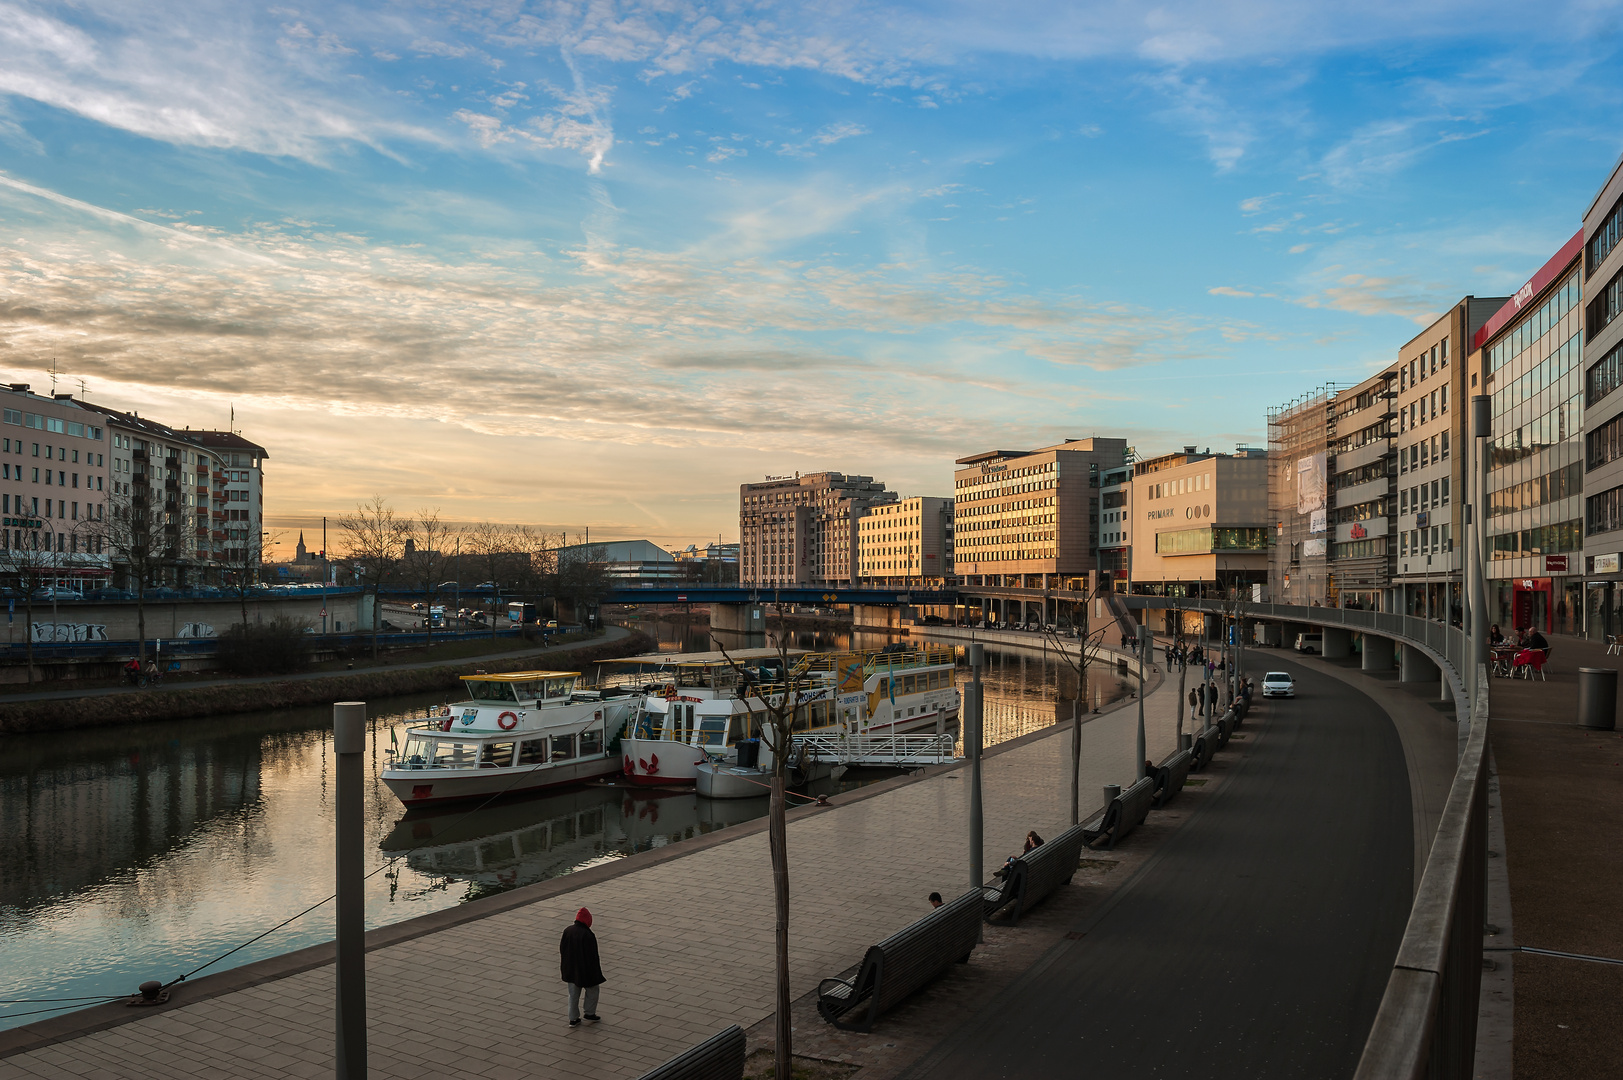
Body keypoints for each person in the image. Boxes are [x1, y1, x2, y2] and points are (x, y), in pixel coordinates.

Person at [560, 907, 604, 1026]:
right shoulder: (588, 935)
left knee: (573, 994)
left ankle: (573, 1018)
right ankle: (589, 1013)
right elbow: (592, 956)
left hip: (571, 969)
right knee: (593, 990)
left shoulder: (567, 930)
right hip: (585, 970)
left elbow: (562, 949)